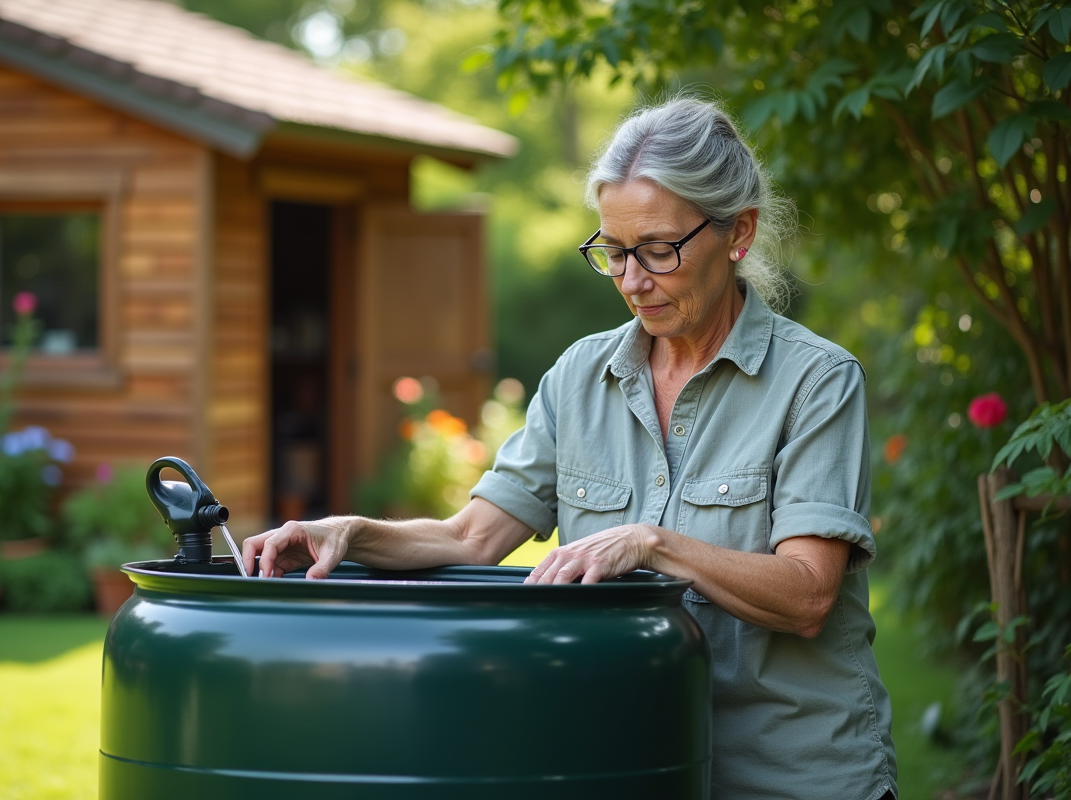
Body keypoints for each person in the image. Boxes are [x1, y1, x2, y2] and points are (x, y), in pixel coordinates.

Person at [243, 93, 897, 800]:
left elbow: (806, 595)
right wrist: (349, 531)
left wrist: (651, 542)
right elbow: (471, 538)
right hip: (631, 767)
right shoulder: (580, 377)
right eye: (613, 252)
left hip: (790, 778)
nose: (632, 280)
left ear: (737, 233)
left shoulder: (816, 381)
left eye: (658, 250)